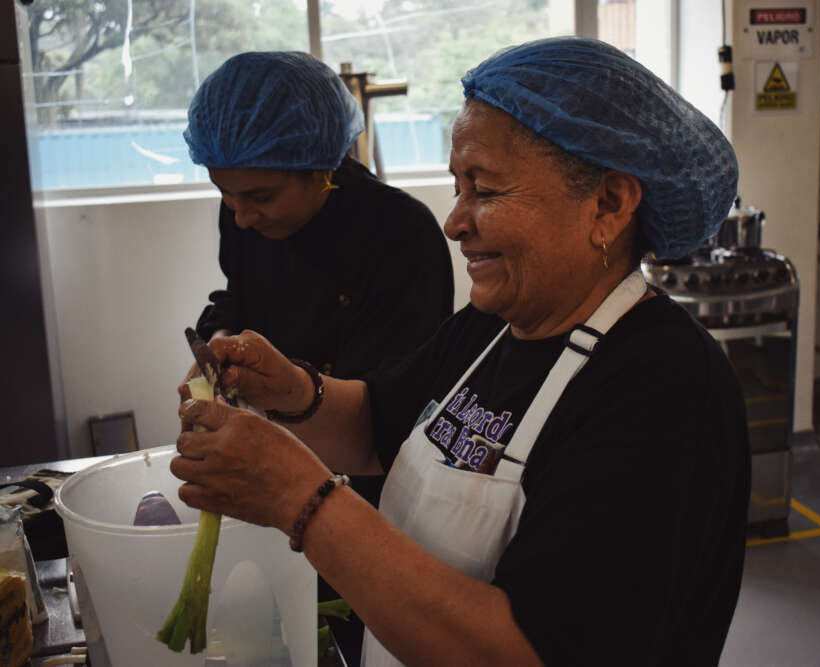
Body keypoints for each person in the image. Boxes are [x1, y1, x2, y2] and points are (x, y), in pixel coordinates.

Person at [173, 37, 749, 666]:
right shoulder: (491, 326)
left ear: (607, 205)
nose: (453, 222)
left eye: (486, 190)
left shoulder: (665, 387)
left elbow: (530, 651)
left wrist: (301, 500)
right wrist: (291, 390)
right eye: (457, 187)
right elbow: (375, 424)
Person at [181, 51, 455, 663]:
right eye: (225, 194)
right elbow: (236, 295)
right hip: (272, 474)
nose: (240, 216)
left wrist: (293, 398)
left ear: (322, 169)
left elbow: (401, 408)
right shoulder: (245, 218)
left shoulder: (402, 235)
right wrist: (220, 339)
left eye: (260, 196)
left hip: (367, 504)